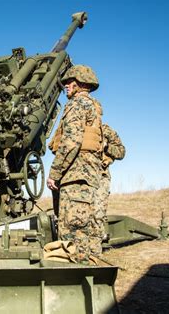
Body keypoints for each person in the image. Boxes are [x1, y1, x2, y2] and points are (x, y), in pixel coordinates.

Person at [47, 64, 103, 264]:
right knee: (85, 229)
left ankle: (73, 277)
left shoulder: (77, 104)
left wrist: (55, 172)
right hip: (87, 175)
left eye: (69, 83)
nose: (66, 87)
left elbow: (71, 142)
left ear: (79, 83)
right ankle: (88, 270)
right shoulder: (94, 106)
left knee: (71, 231)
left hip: (75, 174)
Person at [95, 123, 126, 238]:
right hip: (78, 177)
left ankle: (96, 244)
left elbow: (121, 152)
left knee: (98, 211)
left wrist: (107, 147)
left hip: (100, 176)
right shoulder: (77, 127)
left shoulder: (105, 130)